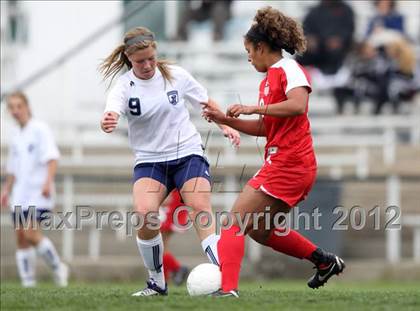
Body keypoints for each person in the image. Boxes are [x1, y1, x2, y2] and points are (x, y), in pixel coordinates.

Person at [203, 7, 345, 297]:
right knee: (260, 231)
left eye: (249, 50)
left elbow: (297, 105)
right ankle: (324, 261)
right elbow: (267, 128)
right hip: (287, 163)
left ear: (262, 46)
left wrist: (255, 107)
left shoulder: (289, 69)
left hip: (290, 162)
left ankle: (227, 289)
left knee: (234, 222)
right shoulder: (268, 78)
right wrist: (224, 119)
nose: (248, 56)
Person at [99, 26, 240, 296]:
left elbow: (205, 101)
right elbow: (111, 109)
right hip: (150, 161)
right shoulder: (124, 86)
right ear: (129, 58)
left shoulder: (176, 75)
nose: (149, 65)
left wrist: (226, 125)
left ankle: (226, 282)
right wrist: (108, 119)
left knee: (200, 206)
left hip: (187, 153)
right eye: (141, 61)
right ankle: (157, 281)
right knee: (144, 215)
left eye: (152, 58)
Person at [0, 91, 69, 287]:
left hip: (38, 193)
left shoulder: (40, 129)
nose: (15, 111)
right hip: (19, 195)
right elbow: (12, 168)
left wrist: (47, 182)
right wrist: (6, 190)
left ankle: (58, 267)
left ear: (27, 107)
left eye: (18, 106)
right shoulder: (15, 135)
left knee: (31, 233)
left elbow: (52, 157)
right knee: (21, 237)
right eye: (11, 108)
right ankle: (28, 282)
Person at [296, 0, 355, 114]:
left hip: (340, 52)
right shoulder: (314, 11)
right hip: (319, 51)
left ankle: (340, 100)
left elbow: (349, 30)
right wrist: (311, 40)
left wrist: (339, 40)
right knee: (301, 56)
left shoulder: (346, 10)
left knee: (338, 57)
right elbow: (305, 30)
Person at [159, 190, 189, 285]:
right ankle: (165, 278)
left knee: (160, 245)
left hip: (172, 209)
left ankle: (176, 269)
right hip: (176, 207)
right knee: (161, 245)